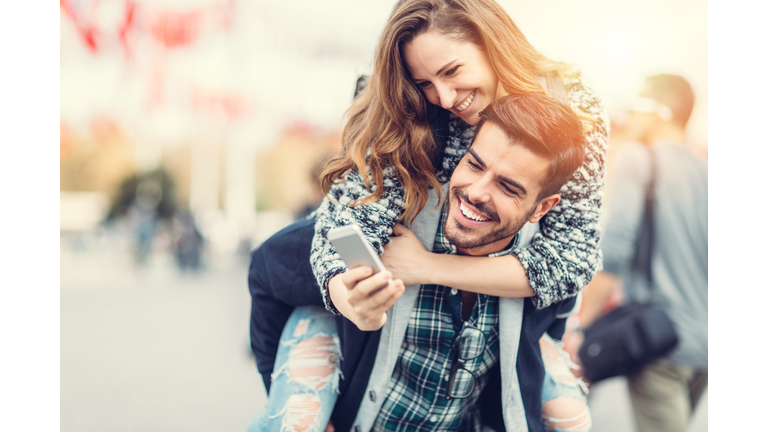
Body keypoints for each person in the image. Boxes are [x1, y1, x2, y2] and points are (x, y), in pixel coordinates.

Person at [249, 0, 608, 430]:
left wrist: (430, 266)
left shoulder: (573, 107)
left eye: (452, 71)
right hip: (375, 323)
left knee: (568, 415)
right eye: (424, 82)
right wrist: (353, 301)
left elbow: (571, 259)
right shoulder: (411, 112)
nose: (445, 98)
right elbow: (346, 226)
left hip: (499, 319)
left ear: (491, 43)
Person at [566, 74, 707, 432]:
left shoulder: (639, 159)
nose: (630, 118)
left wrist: (578, 327)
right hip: (708, 343)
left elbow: (614, 251)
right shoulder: (707, 172)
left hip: (662, 340)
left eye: (636, 108)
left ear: (659, 112)